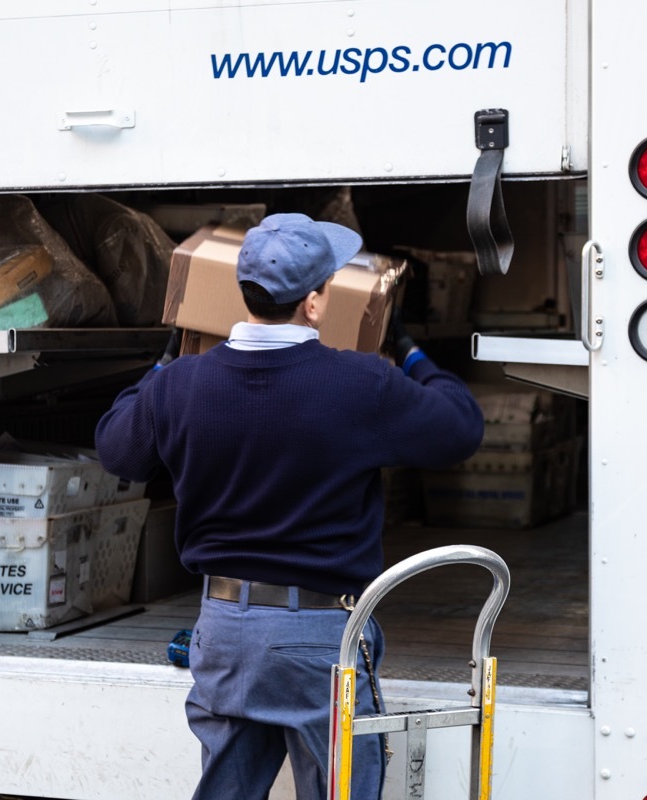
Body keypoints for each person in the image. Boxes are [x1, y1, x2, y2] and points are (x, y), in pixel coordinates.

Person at [95, 213, 484, 799]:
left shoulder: (181, 386)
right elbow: (460, 428)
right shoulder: (358, 384)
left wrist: (163, 363)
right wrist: (407, 352)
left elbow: (116, 448)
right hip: (319, 638)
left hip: (224, 631)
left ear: (244, 293)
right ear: (313, 303)